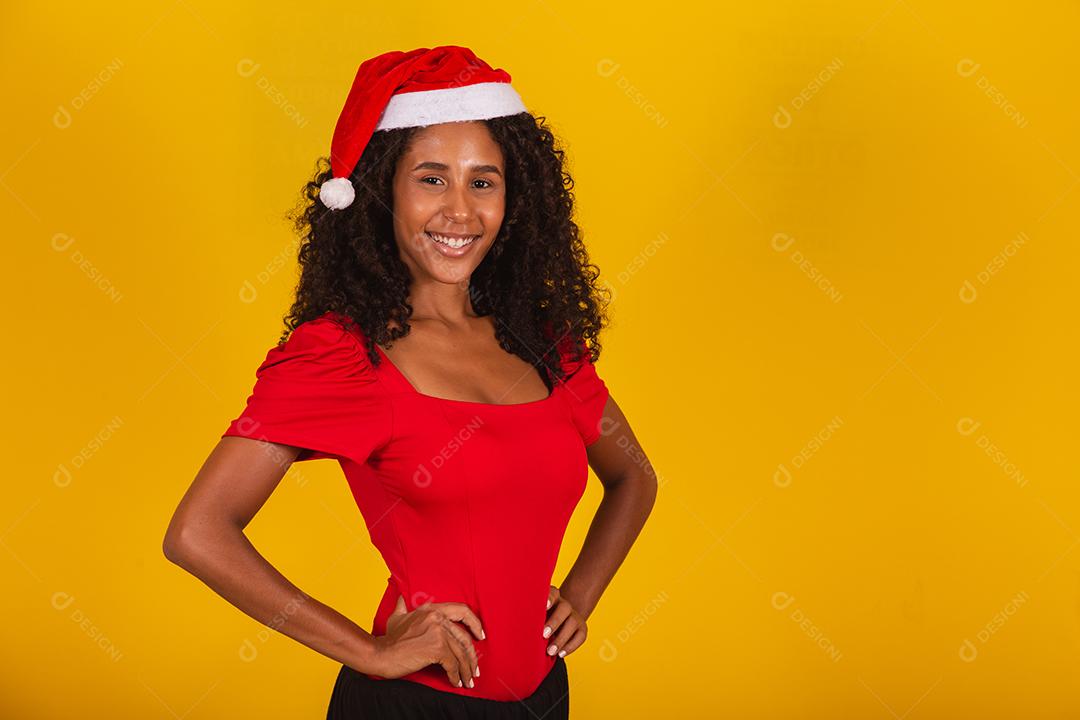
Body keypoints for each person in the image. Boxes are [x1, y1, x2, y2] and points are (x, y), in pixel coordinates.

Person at [163, 45, 658, 718]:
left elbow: (634, 476)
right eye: (431, 179)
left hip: (544, 698)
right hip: (415, 705)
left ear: (512, 201)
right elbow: (199, 531)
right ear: (381, 194)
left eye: (483, 182)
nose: (459, 211)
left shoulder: (547, 345)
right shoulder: (342, 357)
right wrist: (366, 651)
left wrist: (582, 593)